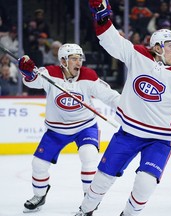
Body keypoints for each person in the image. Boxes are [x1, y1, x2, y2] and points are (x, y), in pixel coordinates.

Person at [74, 1, 171, 216]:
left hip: (160, 139)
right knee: (101, 180)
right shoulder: (137, 55)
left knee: (145, 183)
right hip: (128, 134)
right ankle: (86, 209)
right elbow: (112, 42)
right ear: (157, 46)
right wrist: (101, 17)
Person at [18, 43, 120, 213]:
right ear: (63, 61)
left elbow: (110, 96)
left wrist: (128, 107)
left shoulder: (88, 76)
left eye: (80, 58)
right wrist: (27, 72)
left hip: (85, 127)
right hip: (56, 130)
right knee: (38, 164)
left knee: (88, 154)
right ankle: (39, 195)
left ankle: (90, 200)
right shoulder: (50, 73)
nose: (79, 63)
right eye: (74, 59)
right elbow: (32, 81)